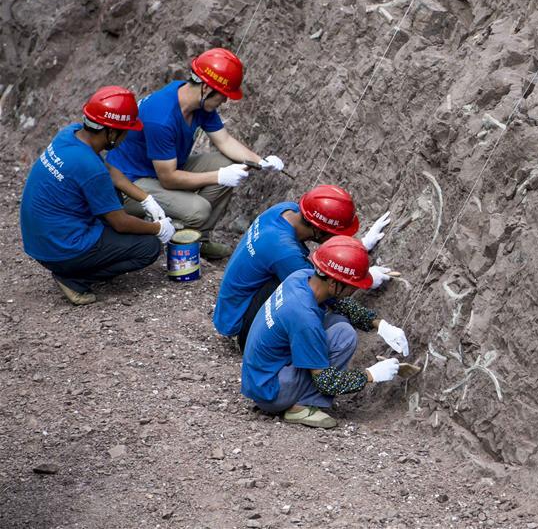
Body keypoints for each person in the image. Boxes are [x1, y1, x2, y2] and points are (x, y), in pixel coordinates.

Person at [106, 47, 285, 260]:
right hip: (130, 184)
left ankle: (198, 239)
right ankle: (179, 241)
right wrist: (219, 176)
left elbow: (224, 141)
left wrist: (261, 161)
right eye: (223, 95)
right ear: (207, 88)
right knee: (199, 209)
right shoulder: (161, 117)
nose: (225, 101)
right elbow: (169, 179)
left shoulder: (196, 102)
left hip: (159, 169)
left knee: (223, 161)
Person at [20, 86, 175, 305]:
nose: (127, 136)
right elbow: (120, 223)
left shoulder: (70, 134)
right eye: (125, 131)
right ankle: (74, 277)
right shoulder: (89, 167)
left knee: (114, 197)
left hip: (41, 240)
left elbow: (110, 172)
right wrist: (158, 228)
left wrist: (146, 199)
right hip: (61, 248)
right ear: (111, 132)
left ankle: (81, 263)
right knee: (148, 248)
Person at [241, 236, 409, 428]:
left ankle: (298, 395)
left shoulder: (303, 277)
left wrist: (380, 326)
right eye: (352, 286)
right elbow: (326, 382)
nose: (354, 290)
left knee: (340, 324)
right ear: (334, 285)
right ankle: (300, 405)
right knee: (343, 336)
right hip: (271, 392)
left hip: (259, 376)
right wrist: (370, 375)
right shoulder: (304, 318)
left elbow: (341, 303)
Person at [212, 184, 393, 350]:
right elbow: (327, 289)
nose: (335, 238)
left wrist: (359, 247)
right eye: (335, 235)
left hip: (231, 308)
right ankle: (257, 344)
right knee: (308, 295)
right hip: (240, 321)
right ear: (319, 230)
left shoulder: (285, 209)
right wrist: (362, 280)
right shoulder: (285, 252)